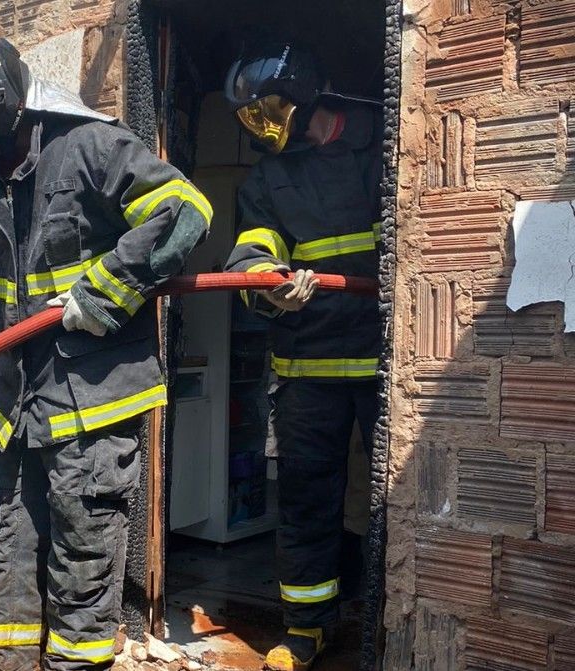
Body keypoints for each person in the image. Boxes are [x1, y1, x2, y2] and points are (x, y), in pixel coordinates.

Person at [0, 28, 211, 671]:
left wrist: (104, 289)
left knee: (82, 562)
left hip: (87, 407)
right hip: (10, 407)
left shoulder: (93, 147)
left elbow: (184, 211)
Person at [222, 41, 382, 671]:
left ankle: (384, 620)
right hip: (306, 367)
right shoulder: (267, 179)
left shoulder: (383, 150)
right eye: (250, 118)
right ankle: (306, 628)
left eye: (266, 111)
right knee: (305, 501)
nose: (262, 128)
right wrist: (268, 285)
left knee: (389, 499)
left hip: (380, 365)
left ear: (304, 93)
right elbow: (250, 254)